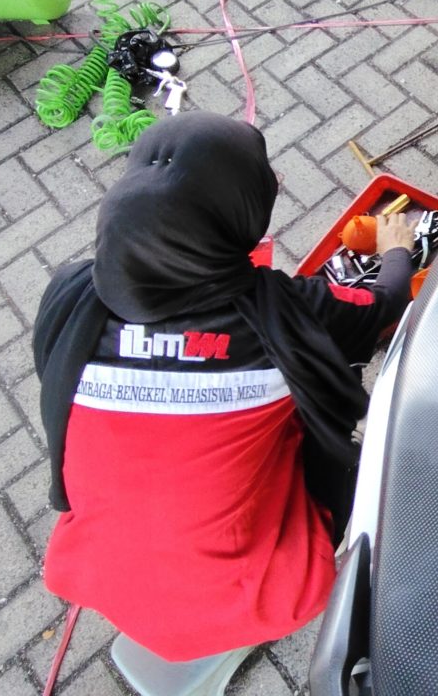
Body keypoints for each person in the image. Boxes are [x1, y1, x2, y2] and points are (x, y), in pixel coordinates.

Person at [32, 113, 414, 667]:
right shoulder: (284, 312)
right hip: (262, 596)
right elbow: (385, 304)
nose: (273, 183)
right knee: (336, 448)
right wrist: (397, 249)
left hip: (104, 579)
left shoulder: (69, 294)